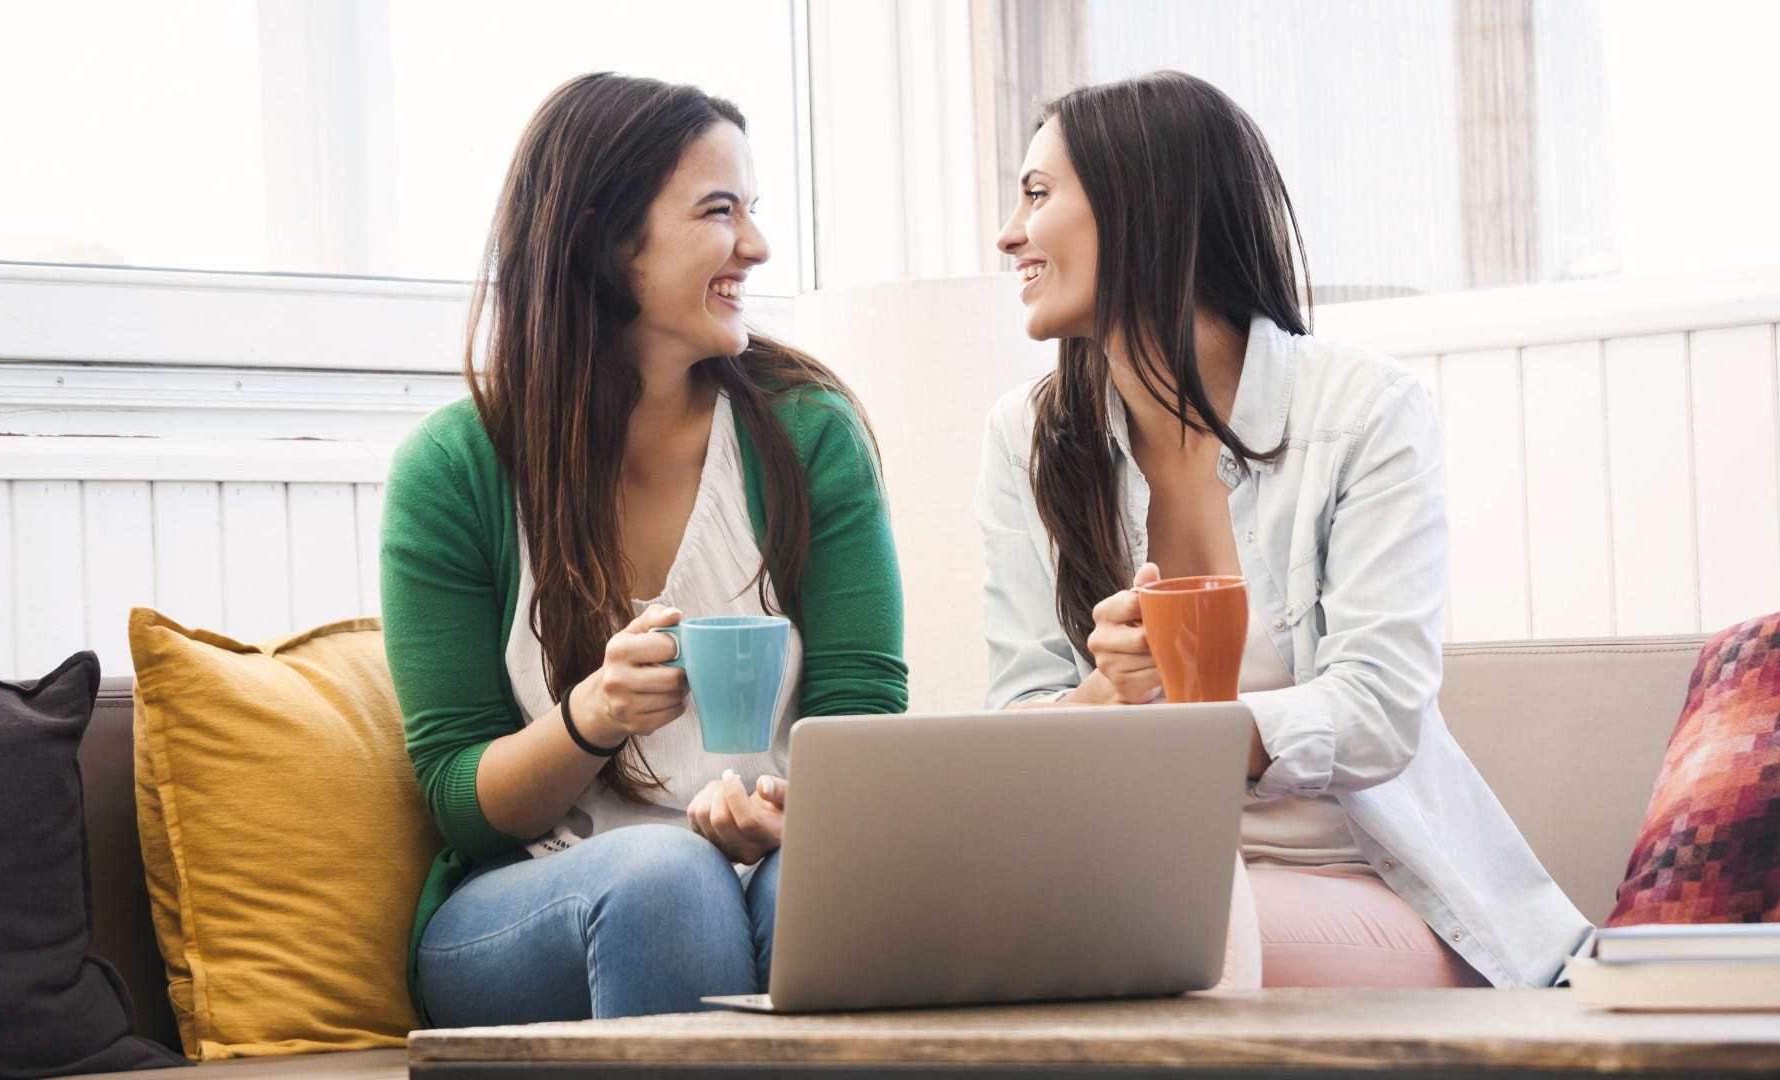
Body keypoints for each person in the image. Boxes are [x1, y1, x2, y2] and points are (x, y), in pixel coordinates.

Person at [977, 70, 1589, 988]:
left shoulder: (1364, 411)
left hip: (1368, 884)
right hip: (1160, 875)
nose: (1009, 232)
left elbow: (1381, 709)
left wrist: (1189, 741)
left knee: (1162, 897)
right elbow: (1017, 725)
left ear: (1146, 205)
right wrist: (1106, 695)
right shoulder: (1028, 439)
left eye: (1037, 193)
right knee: (1064, 893)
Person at [380, 72, 906, 1025]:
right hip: (530, 899)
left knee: (828, 886)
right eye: (719, 210)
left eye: (754, 210)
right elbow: (460, 798)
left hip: (770, 859)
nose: (757, 245)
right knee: (671, 876)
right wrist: (593, 715)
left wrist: (797, 816)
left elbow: (862, 720)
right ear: (606, 240)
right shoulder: (453, 470)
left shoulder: (809, 435)